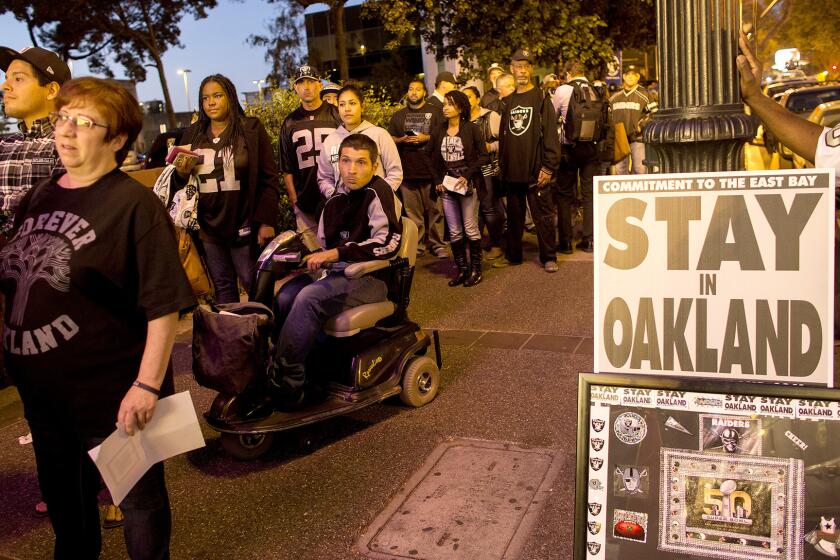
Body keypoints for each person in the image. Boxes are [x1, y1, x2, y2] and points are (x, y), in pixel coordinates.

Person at [0, 76, 195, 559]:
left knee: (139, 508)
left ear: (117, 138)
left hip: (113, 401)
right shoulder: (40, 195)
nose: (66, 131)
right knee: (70, 515)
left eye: (84, 122)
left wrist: (147, 386)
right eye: (62, 117)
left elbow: (163, 303)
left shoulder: (133, 205)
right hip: (46, 402)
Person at [269, 134, 402, 407]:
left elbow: (388, 243)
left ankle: (288, 382)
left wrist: (338, 254)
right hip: (337, 275)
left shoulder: (379, 193)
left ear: (374, 166)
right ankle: (298, 366)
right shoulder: (334, 200)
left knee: (309, 298)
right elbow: (324, 247)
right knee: (283, 295)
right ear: (337, 163)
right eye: (346, 161)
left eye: (361, 163)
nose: (352, 170)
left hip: (370, 277)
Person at [169, 74, 280, 304]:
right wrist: (180, 172)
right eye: (205, 98)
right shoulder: (193, 134)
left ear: (230, 97)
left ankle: (266, 335)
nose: (211, 102)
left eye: (217, 96)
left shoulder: (250, 129)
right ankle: (233, 337)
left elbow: (268, 178)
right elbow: (181, 185)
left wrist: (266, 221)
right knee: (223, 287)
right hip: (209, 227)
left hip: (244, 222)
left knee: (254, 284)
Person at [495, 48, 561, 270]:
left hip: (536, 170)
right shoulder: (509, 101)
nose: (522, 70)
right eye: (517, 66)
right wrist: (502, 167)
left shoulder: (541, 98)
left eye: (525, 66)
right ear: (512, 70)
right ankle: (513, 255)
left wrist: (549, 167)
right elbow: (504, 137)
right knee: (514, 217)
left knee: (543, 216)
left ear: (531, 69)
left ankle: (549, 257)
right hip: (514, 170)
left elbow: (551, 134)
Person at [0, 46, 71, 238]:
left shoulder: (71, 143)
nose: (4, 86)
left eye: (18, 78)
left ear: (51, 90)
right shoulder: (3, 145)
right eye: (6, 78)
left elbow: (58, 213)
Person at [431, 90, 489, 287]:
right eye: (445, 103)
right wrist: (437, 179)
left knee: (470, 227)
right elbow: (430, 156)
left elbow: (483, 156)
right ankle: (462, 270)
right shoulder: (439, 129)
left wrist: (467, 175)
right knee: (455, 231)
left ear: (461, 107)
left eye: (450, 104)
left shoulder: (471, 129)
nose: (445, 107)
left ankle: (476, 270)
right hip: (447, 186)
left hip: (467, 185)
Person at [279, 66, 340, 250]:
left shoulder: (335, 114)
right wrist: (294, 200)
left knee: (340, 254)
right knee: (314, 260)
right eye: (301, 82)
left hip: (337, 197)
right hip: (305, 202)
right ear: (295, 88)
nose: (306, 87)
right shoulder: (290, 122)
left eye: (311, 82)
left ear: (319, 85)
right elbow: (286, 165)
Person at [388, 79, 447, 258]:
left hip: (431, 172)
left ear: (424, 93)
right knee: (414, 214)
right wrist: (401, 140)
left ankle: (438, 245)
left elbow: (445, 136)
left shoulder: (435, 112)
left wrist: (426, 138)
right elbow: (389, 138)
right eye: (411, 89)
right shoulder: (398, 115)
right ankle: (418, 245)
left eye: (418, 89)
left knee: (436, 211)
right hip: (408, 172)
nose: (413, 92)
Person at [552, 60, 603, 254]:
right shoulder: (596, 88)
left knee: (564, 195)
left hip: (569, 148)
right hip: (592, 148)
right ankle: (589, 240)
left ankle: (565, 242)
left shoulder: (563, 90)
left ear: (568, 74)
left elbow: (553, 114)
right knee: (589, 194)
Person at [318, 85, 402, 197]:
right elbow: (324, 178)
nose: (347, 109)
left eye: (352, 103)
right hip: (344, 208)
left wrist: (378, 197)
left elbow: (395, 173)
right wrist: (335, 196)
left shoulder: (379, 135)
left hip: (376, 206)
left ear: (362, 107)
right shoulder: (330, 141)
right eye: (342, 104)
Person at [462, 85, 504, 260]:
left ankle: (496, 245)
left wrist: (490, 146)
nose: (466, 101)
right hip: (468, 171)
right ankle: (475, 245)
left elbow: (506, 140)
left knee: (488, 207)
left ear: (477, 99)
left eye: (469, 97)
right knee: (472, 210)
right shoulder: (461, 120)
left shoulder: (490, 116)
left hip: (487, 169)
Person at [609, 68, 657, 174]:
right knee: (620, 171)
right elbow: (609, 116)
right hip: (620, 139)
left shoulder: (645, 95)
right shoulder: (614, 97)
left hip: (638, 138)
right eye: (627, 74)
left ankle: (640, 191)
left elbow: (654, 113)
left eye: (633, 74)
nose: (630, 77)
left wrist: (641, 125)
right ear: (624, 77)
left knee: (640, 169)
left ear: (638, 77)